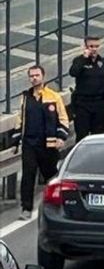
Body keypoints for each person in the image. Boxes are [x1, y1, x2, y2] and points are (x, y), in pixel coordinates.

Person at [13, 64, 69, 220]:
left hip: (48, 143)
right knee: (28, 176)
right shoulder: (25, 97)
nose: (34, 78)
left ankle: (58, 205)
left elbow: (63, 118)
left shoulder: (53, 96)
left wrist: (61, 137)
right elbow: (20, 119)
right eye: (31, 76)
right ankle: (26, 209)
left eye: (36, 75)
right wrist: (16, 141)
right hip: (29, 143)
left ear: (43, 76)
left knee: (51, 176)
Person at [68, 35, 104, 141]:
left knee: (98, 136)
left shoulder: (102, 62)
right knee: (82, 136)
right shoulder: (79, 60)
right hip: (83, 104)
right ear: (85, 47)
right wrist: (84, 58)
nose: (94, 49)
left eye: (97, 46)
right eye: (91, 46)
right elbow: (73, 72)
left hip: (99, 104)